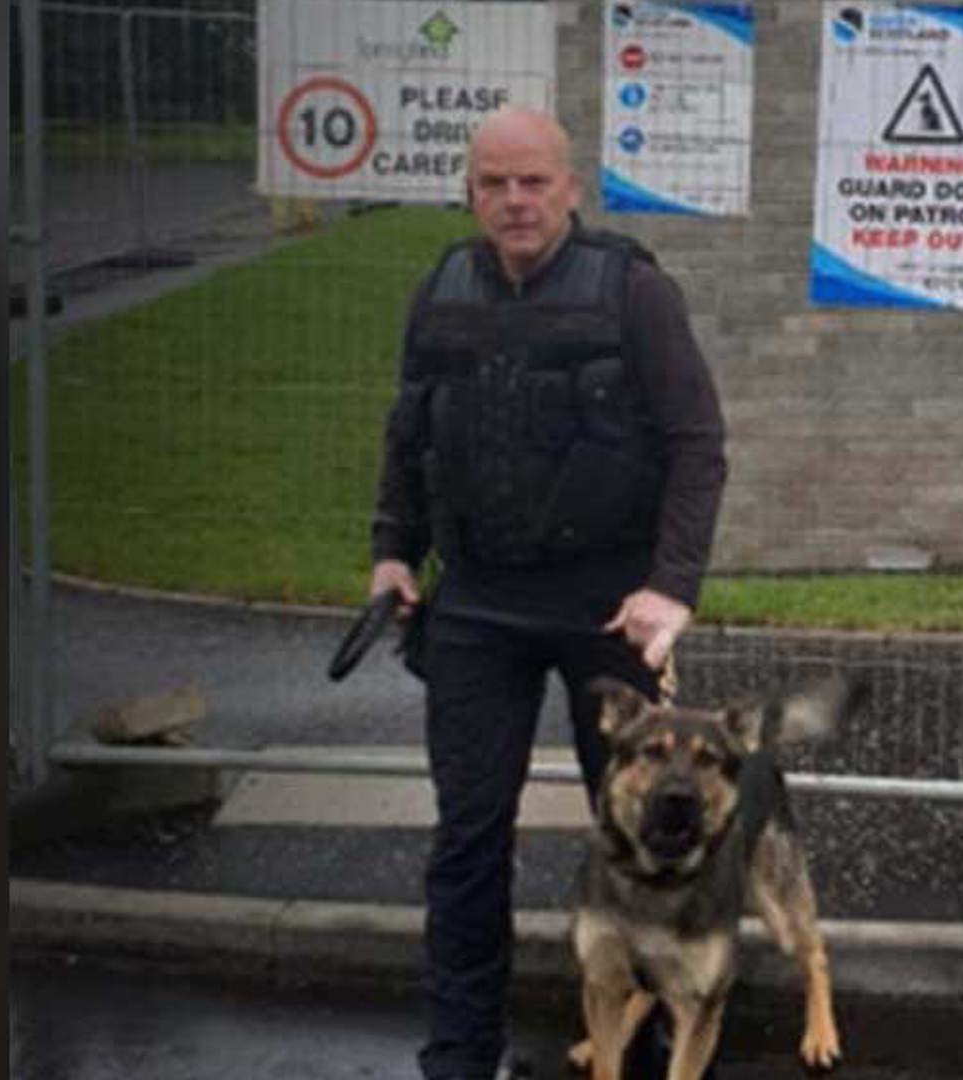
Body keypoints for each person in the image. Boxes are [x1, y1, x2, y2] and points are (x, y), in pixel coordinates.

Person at [368, 106, 729, 1080]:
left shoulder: (635, 292)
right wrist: (392, 552)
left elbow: (697, 443)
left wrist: (671, 588)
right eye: (495, 183)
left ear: (571, 187)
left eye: (534, 182)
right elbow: (410, 434)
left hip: (608, 609)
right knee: (468, 838)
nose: (515, 201)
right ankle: (458, 1055)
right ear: (471, 191)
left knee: (640, 838)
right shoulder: (438, 290)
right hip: (478, 607)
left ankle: (647, 1053)